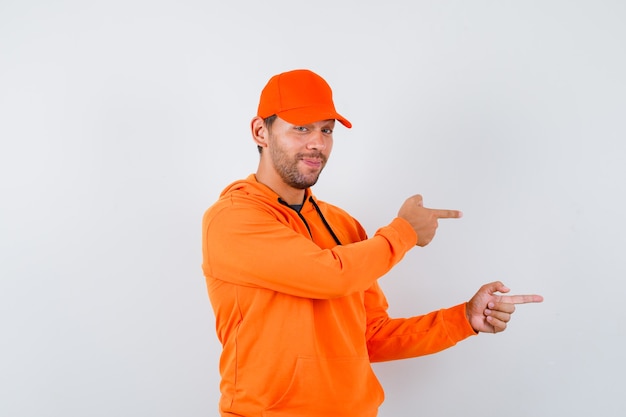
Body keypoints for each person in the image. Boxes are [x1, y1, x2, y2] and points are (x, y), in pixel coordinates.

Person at [201, 69, 543, 417]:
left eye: (326, 130)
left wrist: (463, 319)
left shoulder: (342, 224)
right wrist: (405, 232)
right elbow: (330, 276)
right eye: (301, 127)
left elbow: (370, 335)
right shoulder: (232, 219)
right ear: (261, 131)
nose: (317, 142)